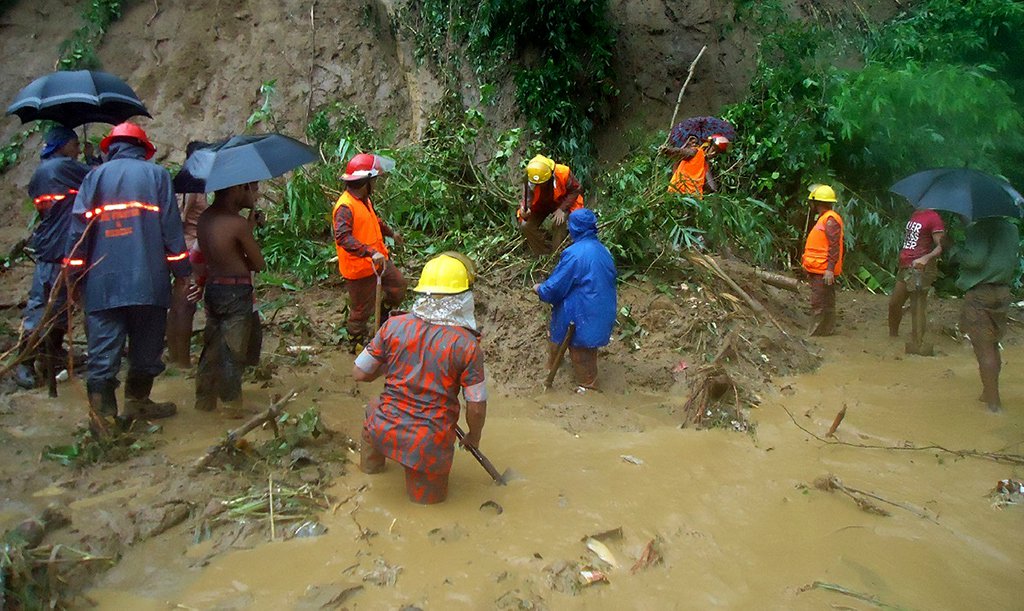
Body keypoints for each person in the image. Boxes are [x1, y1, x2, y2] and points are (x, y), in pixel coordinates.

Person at [65, 122, 190, 431]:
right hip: (149, 281)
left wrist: (74, 276)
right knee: (146, 348)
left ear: (112, 147)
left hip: (103, 282)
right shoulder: (157, 176)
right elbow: (171, 231)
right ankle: (138, 402)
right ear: (143, 149)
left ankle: (104, 417)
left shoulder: (93, 178)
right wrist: (182, 273)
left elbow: (79, 232)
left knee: (103, 352)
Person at [352, 252, 487, 504]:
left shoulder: (393, 326)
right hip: (426, 443)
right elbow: (476, 406)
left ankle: (370, 470)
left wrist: (389, 365)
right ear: (463, 298)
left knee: (372, 410)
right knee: (426, 511)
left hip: (383, 426)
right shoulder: (467, 346)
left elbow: (360, 372)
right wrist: (473, 436)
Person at [14, 126, 91, 389]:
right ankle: (24, 361)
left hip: (54, 244)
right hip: (58, 246)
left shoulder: (43, 170)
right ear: (64, 145)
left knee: (60, 303)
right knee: (44, 304)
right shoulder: (62, 167)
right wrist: (92, 162)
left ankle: (52, 353)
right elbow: (98, 178)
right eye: (76, 144)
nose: (79, 149)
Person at [194, 181, 265, 415]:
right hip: (235, 292)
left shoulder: (205, 218)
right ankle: (231, 408)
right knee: (232, 352)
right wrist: (248, 230)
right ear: (235, 189)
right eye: (248, 189)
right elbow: (258, 264)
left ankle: (204, 402)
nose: (252, 194)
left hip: (214, 289)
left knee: (212, 347)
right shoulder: (236, 224)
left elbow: (217, 254)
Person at [533, 208, 617, 389]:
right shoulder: (604, 251)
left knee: (583, 362)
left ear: (573, 229)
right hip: (601, 312)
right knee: (568, 340)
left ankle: (587, 389)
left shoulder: (574, 254)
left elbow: (554, 288)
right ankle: (555, 367)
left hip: (584, 316)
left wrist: (540, 289)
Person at [332, 152, 406, 346]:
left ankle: (382, 320)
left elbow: (375, 222)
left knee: (398, 286)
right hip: (360, 269)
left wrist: (391, 234)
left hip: (379, 261)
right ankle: (355, 346)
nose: (376, 185)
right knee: (360, 312)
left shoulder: (364, 201)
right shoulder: (345, 207)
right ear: (366, 182)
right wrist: (371, 252)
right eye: (374, 180)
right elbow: (342, 237)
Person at [956, 216, 1019, 413]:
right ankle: (988, 393)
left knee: (983, 348)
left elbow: (974, 260)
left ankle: (994, 404)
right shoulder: (1011, 228)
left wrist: (953, 248)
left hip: (981, 292)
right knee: (992, 344)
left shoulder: (979, 228)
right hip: (1002, 291)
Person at [166, 141, 213, 367]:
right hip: (190, 247)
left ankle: (176, 357)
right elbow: (181, 218)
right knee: (186, 304)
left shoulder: (185, 181)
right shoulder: (193, 184)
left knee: (179, 303)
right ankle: (182, 361)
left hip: (185, 247)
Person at [888, 207, 945, 354]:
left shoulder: (934, 217)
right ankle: (893, 336)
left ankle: (917, 342)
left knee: (917, 306)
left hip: (921, 267)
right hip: (906, 265)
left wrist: (925, 258)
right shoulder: (916, 214)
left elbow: (941, 246)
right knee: (895, 303)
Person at [517, 154, 584, 255]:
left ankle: (556, 254)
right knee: (525, 225)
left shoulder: (563, 173)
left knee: (558, 221)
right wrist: (525, 209)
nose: (538, 186)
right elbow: (527, 198)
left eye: (541, 183)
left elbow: (576, 190)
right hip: (540, 205)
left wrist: (562, 209)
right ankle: (542, 253)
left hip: (561, 202)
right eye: (537, 184)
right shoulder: (530, 177)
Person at [801, 184, 844, 336]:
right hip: (820, 268)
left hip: (823, 270)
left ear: (817, 203)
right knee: (826, 300)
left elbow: (834, 246)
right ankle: (826, 331)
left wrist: (830, 270)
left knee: (819, 302)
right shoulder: (825, 219)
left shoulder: (830, 220)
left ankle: (815, 333)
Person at [660, 134, 729, 196]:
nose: (713, 154)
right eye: (713, 150)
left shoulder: (705, 164)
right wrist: (667, 150)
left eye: (716, 153)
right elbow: (681, 152)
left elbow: (711, 186)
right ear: (708, 145)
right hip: (678, 194)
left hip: (693, 198)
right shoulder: (695, 152)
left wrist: (712, 190)